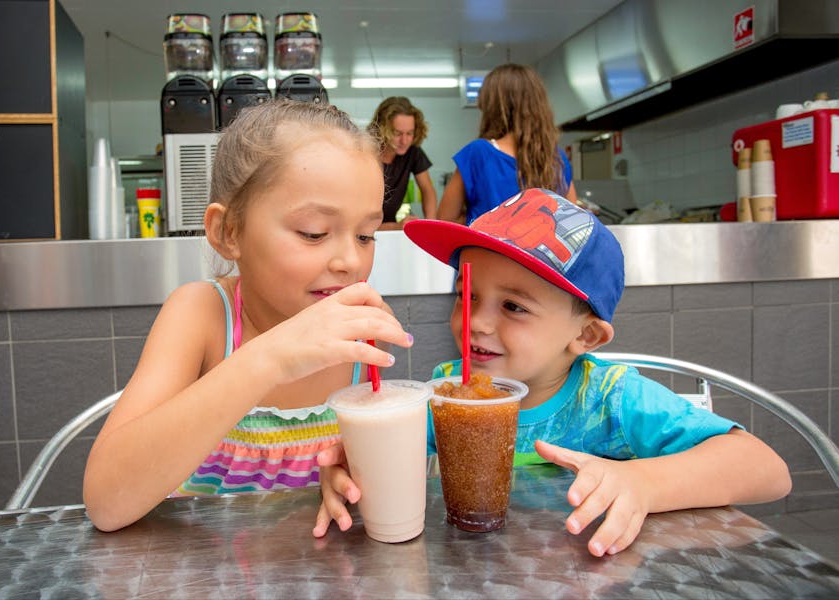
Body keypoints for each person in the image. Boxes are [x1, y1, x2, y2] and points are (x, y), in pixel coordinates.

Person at [315, 188, 791, 556]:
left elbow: (768, 471)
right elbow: (390, 465)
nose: (476, 321)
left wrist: (645, 484)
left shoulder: (612, 400)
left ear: (584, 337)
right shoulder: (452, 389)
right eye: (468, 295)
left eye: (514, 306)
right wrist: (353, 471)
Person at [82, 99, 414, 532]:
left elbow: (367, 485)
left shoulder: (363, 335)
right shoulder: (201, 317)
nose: (350, 260)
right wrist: (268, 359)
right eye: (313, 233)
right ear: (229, 232)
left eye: (366, 235)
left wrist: (350, 478)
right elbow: (106, 503)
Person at [437, 64, 578, 225]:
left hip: (488, 249)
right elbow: (573, 220)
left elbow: (445, 220)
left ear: (491, 106)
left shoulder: (478, 153)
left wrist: (477, 219)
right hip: (543, 251)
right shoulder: (556, 157)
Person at [368, 96, 438, 230]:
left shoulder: (412, 152)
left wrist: (431, 224)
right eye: (397, 133)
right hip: (364, 228)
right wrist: (397, 226)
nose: (404, 141)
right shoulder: (366, 152)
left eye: (409, 133)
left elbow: (427, 189)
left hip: (390, 225)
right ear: (383, 129)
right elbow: (361, 221)